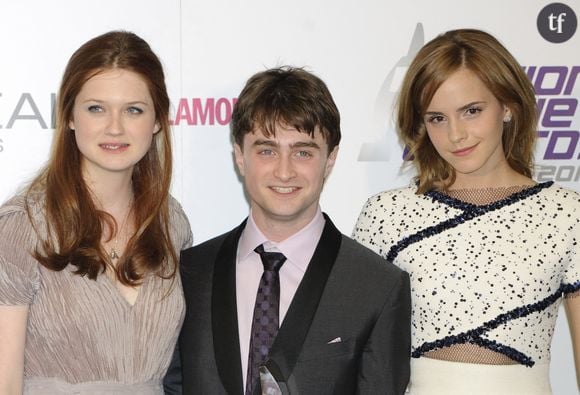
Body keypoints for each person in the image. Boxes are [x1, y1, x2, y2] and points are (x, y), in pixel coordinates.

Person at [352, 28, 580, 395]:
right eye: (437, 118)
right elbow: (355, 358)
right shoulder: (386, 214)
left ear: (508, 106)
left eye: (471, 111)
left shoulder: (568, 214)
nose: (456, 134)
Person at [164, 66, 411, 394]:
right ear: (240, 155)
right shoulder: (189, 274)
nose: (284, 171)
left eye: (303, 152)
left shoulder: (377, 286)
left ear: (331, 159)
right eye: (267, 150)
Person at [0, 31, 192, 394]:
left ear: (157, 120)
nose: (115, 127)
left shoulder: (171, 223)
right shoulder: (21, 228)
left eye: (133, 109)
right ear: (70, 116)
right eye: (96, 108)